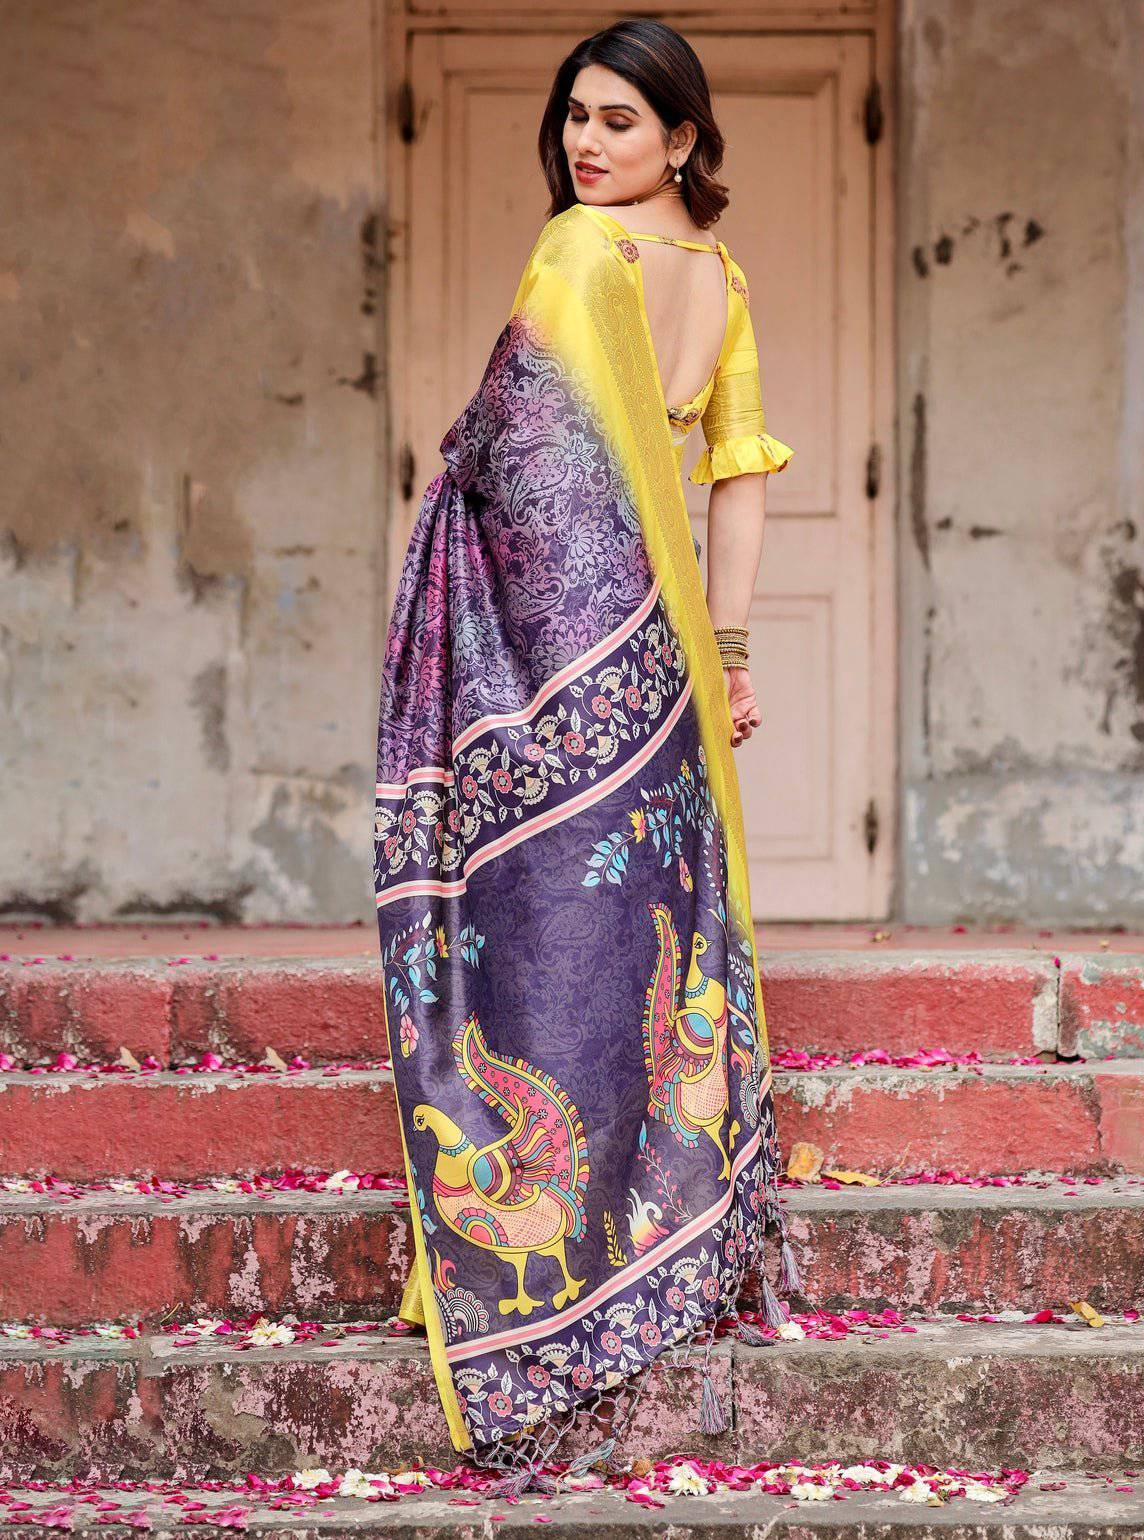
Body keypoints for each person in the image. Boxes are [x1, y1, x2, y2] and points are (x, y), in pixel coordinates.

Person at [373, 17, 797, 1485]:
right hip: (665, 644)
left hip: (576, 649)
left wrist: (459, 474)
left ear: (683, 135)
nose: (585, 143)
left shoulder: (578, 254)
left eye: (619, 119)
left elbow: (520, 452)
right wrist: (725, 654)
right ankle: (664, 1237)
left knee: (549, 938)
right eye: (574, 119)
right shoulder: (720, 283)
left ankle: (540, 1274)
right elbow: (732, 477)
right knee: (654, 944)